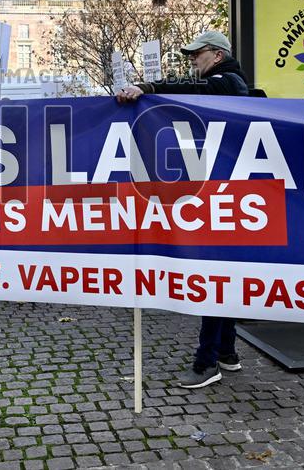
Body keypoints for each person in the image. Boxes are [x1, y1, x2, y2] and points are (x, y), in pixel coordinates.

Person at [116, 30, 248, 389]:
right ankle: (226, 352)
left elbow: (198, 90)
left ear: (217, 55)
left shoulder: (226, 82)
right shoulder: (229, 81)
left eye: (198, 54)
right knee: (224, 276)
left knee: (213, 277)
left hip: (225, 195)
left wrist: (150, 89)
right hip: (228, 192)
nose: (193, 60)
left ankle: (206, 363)